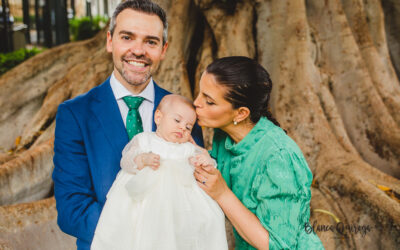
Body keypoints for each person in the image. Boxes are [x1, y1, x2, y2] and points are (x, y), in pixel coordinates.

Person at [52, 1, 203, 249]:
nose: (138, 50)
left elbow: (193, 195)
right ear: (110, 41)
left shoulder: (184, 116)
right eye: (127, 37)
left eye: (151, 42)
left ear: (163, 49)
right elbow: (72, 210)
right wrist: (140, 235)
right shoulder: (74, 114)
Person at [193, 56, 324, 250]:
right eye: (200, 93)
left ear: (240, 114)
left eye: (209, 101)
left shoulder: (279, 157)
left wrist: (222, 194)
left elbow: (280, 246)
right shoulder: (225, 134)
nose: (196, 103)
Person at [91, 94, 228, 250]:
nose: (182, 127)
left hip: (178, 205)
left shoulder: (187, 149)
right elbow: (126, 160)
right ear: (158, 117)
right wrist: (143, 159)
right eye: (177, 120)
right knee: (135, 232)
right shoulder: (144, 140)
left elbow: (208, 166)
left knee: (185, 232)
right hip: (143, 200)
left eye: (188, 127)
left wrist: (205, 162)